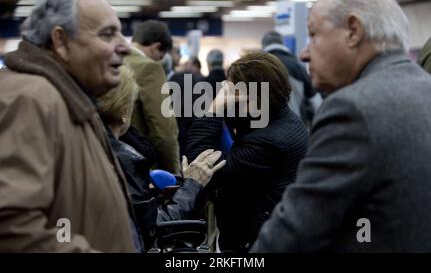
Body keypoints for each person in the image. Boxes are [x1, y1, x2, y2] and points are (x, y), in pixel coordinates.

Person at [251, 0, 431, 252]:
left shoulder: (352, 110)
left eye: (313, 35)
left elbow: (289, 239)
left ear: (353, 31)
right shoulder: (424, 87)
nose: (304, 53)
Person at [0, 0, 136, 252]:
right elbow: (12, 226)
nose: (126, 47)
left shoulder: (66, 98)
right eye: (108, 35)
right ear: (61, 41)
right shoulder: (31, 99)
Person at [186, 51, 309, 252]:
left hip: (254, 241)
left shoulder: (268, 142)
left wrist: (213, 110)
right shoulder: (281, 116)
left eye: (234, 91)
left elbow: (200, 167)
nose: (228, 96)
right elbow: (244, 123)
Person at [98, 65, 226, 250]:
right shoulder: (123, 158)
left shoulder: (82, 143)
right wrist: (192, 185)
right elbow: (153, 229)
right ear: (124, 113)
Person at [125, 20, 180, 174]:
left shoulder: (113, 61)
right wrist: (174, 173)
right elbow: (164, 129)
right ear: (156, 47)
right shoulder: (149, 67)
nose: (158, 61)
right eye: (160, 57)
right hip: (142, 164)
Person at [262, 31, 321, 126]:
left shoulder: (257, 67)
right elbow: (315, 101)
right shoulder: (297, 66)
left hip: (265, 128)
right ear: (282, 43)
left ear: (263, 45)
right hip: (297, 128)